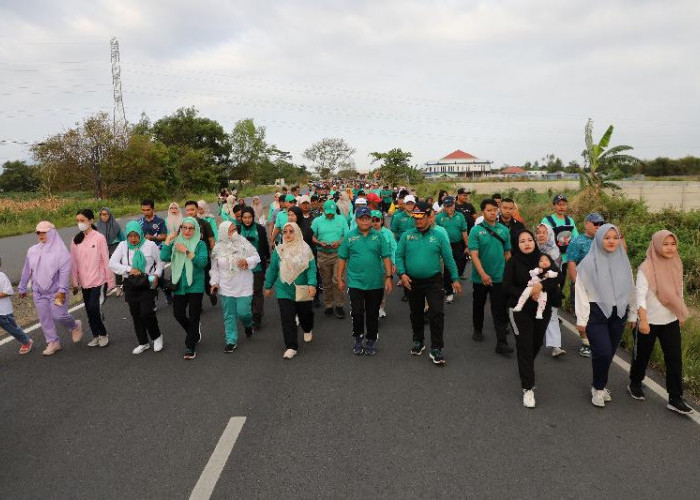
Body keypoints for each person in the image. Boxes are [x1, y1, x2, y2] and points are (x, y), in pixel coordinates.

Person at [628, 230, 694, 415]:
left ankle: (675, 398)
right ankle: (635, 382)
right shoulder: (646, 267)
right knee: (642, 355)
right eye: (665, 244)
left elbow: (678, 291)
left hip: (670, 320)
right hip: (648, 320)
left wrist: (680, 313)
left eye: (673, 244)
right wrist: (643, 320)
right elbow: (640, 295)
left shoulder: (676, 264)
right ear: (657, 245)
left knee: (674, 359)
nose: (670, 248)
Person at [575, 224, 637, 408]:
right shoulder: (588, 262)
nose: (611, 241)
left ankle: (599, 385)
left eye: (615, 237)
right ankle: (599, 387)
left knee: (608, 353)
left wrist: (633, 314)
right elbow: (581, 291)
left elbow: (631, 289)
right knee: (602, 351)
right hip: (596, 312)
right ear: (599, 239)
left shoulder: (623, 262)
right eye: (607, 237)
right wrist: (581, 319)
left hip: (618, 312)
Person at [396, 202, 462, 365]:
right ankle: (418, 341)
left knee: (437, 313)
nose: (418, 221)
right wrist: (402, 274)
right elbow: (398, 256)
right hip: (412, 281)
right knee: (416, 313)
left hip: (433, 280)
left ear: (429, 217)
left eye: (421, 217)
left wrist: (455, 278)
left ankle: (436, 347)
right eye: (415, 218)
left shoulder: (438, 235)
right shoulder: (407, 235)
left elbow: (448, 258)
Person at [504, 229, 561, 408]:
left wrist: (540, 287)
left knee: (536, 343)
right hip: (519, 309)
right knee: (525, 346)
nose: (527, 243)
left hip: (542, 309)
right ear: (517, 244)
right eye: (522, 241)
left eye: (530, 239)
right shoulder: (513, 262)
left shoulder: (542, 258)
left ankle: (526, 367)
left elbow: (559, 275)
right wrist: (528, 293)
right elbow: (506, 286)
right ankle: (527, 387)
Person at [18, 221, 83, 356]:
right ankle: (53, 342)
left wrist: (62, 291)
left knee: (59, 315)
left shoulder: (62, 253)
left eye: (44, 232)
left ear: (52, 232)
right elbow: (26, 270)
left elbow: (64, 275)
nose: (41, 235)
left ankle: (74, 325)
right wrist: (22, 287)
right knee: (44, 318)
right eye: (38, 232)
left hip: (56, 291)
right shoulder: (32, 251)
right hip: (38, 291)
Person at [337, 206, 393, 356]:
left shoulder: (379, 236)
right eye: (361, 219)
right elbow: (342, 258)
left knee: (372, 313)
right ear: (356, 220)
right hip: (355, 282)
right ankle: (358, 338)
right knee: (356, 312)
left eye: (367, 218)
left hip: (375, 283)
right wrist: (340, 278)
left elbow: (386, 256)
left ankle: (371, 340)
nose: (365, 221)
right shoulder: (349, 236)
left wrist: (388, 277)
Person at [109, 221, 164, 354]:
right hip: (131, 284)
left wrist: (157, 275)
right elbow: (112, 263)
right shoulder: (123, 246)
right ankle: (143, 342)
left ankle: (157, 337)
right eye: (130, 236)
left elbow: (160, 262)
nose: (133, 239)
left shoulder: (150, 245)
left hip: (147, 283)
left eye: (136, 236)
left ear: (140, 234)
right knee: (136, 315)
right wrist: (129, 269)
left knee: (147, 313)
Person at [264, 222, 317, 359]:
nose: (287, 234)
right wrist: (268, 286)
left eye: (291, 231)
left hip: (302, 287)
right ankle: (291, 346)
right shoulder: (279, 250)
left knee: (305, 314)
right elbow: (273, 269)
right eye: (285, 232)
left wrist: (312, 284)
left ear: (297, 232)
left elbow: (311, 268)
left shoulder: (306, 249)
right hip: (284, 290)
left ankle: (307, 328)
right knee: (287, 318)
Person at [469, 198, 514, 354]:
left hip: (499, 277)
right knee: (479, 304)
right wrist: (482, 274)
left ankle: (501, 342)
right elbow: (474, 255)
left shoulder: (504, 230)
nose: (493, 213)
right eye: (489, 210)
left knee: (499, 309)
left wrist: (510, 272)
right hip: (480, 277)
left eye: (495, 210)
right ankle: (478, 329)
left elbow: (507, 253)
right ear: (483, 212)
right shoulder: (475, 231)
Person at [160, 217, 209, 360]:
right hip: (179, 283)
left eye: (190, 228)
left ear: (196, 230)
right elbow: (164, 257)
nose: (187, 231)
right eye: (184, 228)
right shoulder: (176, 242)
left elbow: (202, 263)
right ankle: (193, 333)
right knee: (178, 314)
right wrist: (168, 240)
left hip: (195, 284)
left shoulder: (200, 244)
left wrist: (187, 251)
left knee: (194, 315)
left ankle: (190, 346)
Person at [210, 221, 260, 352]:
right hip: (226, 286)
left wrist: (247, 261)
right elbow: (214, 269)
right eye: (230, 230)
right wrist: (214, 283)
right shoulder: (217, 248)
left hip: (243, 284)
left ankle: (248, 324)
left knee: (244, 313)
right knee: (229, 315)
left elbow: (256, 257)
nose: (234, 232)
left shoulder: (244, 243)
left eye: (234, 229)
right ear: (223, 233)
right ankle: (231, 340)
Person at [71, 209, 114, 347]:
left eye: (82, 220)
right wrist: (75, 281)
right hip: (84, 282)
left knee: (94, 308)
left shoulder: (99, 237)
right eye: (77, 221)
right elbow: (74, 263)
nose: (79, 223)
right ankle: (96, 335)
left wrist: (110, 281)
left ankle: (103, 334)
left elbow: (106, 260)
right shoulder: (76, 241)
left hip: (98, 280)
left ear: (90, 221)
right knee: (89, 310)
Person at [566, 212, 605, 357]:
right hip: (582, 284)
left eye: (601, 224)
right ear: (586, 224)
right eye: (596, 224)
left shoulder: (604, 240)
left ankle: (595, 340)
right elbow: (571, 262)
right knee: (582, 313)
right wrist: (576, 283)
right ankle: (585, 342)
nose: (599, 226)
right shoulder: (578, 241)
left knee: (597, 314)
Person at [311, 200, 348, 318]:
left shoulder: (341, 219)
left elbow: (346, 236)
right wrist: (319, 242)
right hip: (323, 254)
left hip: (338, 254)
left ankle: (339, 305)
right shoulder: (317, 221)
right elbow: (312, 237)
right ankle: (328, 305)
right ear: (323, 210)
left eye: (332, 212)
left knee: (338, 280)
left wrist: (339, 242)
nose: (330, 214)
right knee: (326, 282)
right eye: (328, 212)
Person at [535, 223, 566, 357]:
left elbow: (558, 272)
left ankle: (556, 347)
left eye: (544, 232)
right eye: (539, 232)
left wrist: (557, 286)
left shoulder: (555, 252)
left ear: (550, 235)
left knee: (552, 316)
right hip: (533, 287)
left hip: (550, 287)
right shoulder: (531, 248)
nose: (541, 235)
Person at [239, 207, 270, 330]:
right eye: (244, 217)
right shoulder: (236, 230)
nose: (247, 220)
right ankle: (250, 312)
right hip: (242, 267)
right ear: (241, 218)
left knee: (257, 291)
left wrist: (267, 258)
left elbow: (265, 244)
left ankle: (257, 316)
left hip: (257, 266)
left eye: (249, 217)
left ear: (253, 217)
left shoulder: (259, 229)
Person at [435, 196, 468, 304]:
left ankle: (452, 283)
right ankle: (449, 291)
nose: (449, 208)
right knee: (448, 268)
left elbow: (464, 231)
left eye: (451, 205)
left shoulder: (460, 216)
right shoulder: (439, 217)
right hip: (445, 245)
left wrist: (467, 246)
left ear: (454, 205)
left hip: (458, 245)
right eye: (447, 206)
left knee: (458, 266)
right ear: (444, 206)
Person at [139, 198, 172, 305]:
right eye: (143, 210)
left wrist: (153, 238)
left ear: (153, 209)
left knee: (158, 277)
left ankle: (167, 290)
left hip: (158, 252)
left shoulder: (160, 221)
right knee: (147, 277)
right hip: (144, 254)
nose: (145, 212)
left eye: (148, 210)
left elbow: (164, 236)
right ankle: (151, 301)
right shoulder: (139, 222)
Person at [184, 200, 216, 306]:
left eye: (192, 209)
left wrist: (213, 254)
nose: (189, 212)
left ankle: (211, 293)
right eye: (187, 210)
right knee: (193, 282)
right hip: (189, 258)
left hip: (204, 257)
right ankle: (197, 305)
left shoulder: (204, 223)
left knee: (206, 279)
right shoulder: (183, 225)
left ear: (197, 210)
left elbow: (211, 239)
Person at [0, 256, 34, 354]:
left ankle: (26, 341)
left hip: (3, 311)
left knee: (12, 329)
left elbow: (9, 291)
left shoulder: (1, 276)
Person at [512, 254, 558, 319]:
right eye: (541, 261)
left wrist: (549, 274)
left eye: (547, 260)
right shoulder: (536, 269)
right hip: (531, 286)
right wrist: (538, 271)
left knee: (543, 300)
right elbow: (531, 273)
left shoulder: (550, 271)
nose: (544, 262)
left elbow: (555, 274)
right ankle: (519, 305)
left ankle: (539, 312)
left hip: (542, 289)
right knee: (525, 294)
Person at [371, 209, 396, 319]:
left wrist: (394, 262)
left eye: (377, 220)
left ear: (382, 221)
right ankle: (372, 308)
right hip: (370, 266)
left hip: (384, 266)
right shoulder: (366, 233)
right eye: (373, 220)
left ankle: (381, 307)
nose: (375, 222)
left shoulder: (388, 233)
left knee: (381, 288)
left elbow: (393, 248)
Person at [96, 207, 125, 296]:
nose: (103, 216)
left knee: (116, 266)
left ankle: (119, 286)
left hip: (115, 246)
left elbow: (122, 238)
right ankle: (109, 286)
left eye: (105, 214)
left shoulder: (115, 225)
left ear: (109, 215)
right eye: (101, 214)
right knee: (106, 268)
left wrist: (124, 248)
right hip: (104, 248)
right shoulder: (99, 225)